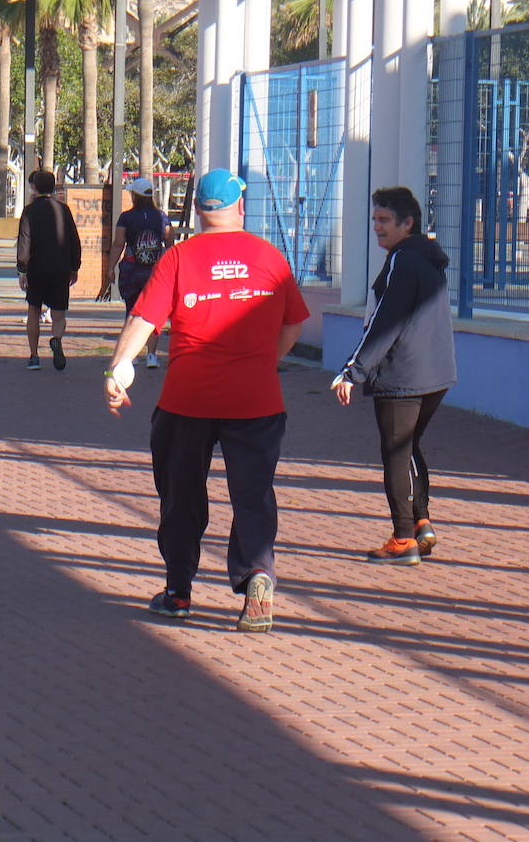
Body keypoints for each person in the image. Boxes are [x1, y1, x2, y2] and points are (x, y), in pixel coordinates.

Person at [104, 168, 309, 633]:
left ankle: (178, 590)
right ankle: (257, 576)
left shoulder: (180, 258)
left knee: (180, 497)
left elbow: (144, 319)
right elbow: (293, 325)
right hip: (256, 401)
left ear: (198, 210)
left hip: (187, 400)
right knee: (252, 494)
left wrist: (118, 368)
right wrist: (262, 360)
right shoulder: (270, 257)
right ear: (240, 206)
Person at [331, 187, 457, 566]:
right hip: (435, 373)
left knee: (396, 455)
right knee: (410, 449)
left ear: (408, 223)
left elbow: (386, 322)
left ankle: (403, 539)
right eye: (375, 220)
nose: (377, 228)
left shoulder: (404, 260)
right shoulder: (425, 258)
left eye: (385, 221)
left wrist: (353, 370)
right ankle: (421, 522)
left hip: (404, 375)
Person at [98, 176, 172, 369]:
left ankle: (131, 355)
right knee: (154, 312)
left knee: (132, 311)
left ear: (135, 196)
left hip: (131, 269)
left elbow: (118, 244)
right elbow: (170, 241)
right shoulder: (162, 216)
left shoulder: (126, 217)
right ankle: (152, 356)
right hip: (155, 271)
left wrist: (110, 268)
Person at [16, 168, 81, 371]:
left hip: (37, 268)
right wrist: (74, 266)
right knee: (59, 313)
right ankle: (57, 339)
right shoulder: (64, 210)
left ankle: (34, 355)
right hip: (61, 267)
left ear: (34, 187)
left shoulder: (29, 211)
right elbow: (74, 240)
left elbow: (24, 241)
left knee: (34, 310)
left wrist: (22, 269)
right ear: (54, 187)